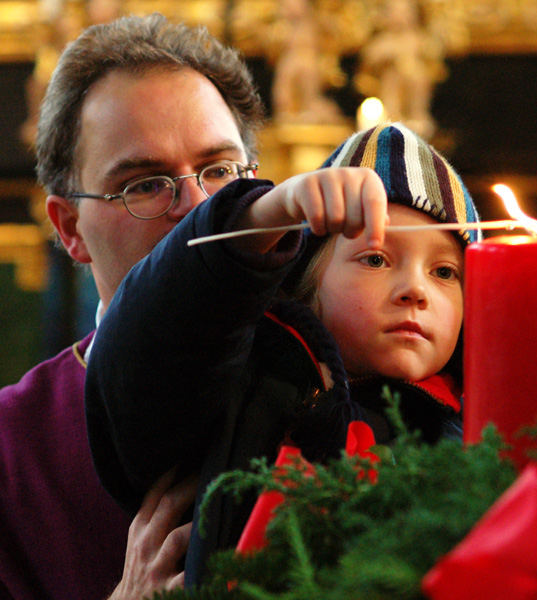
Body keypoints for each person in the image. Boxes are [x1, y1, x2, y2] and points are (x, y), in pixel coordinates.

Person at [84, 122, 481, 584]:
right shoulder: (244, 380)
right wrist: (261, 219)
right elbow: (142, 359)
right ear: (308, 282)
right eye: (375, 258)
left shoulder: (475, 433)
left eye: (445, 271)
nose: (415, 289)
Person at [0, 13, 266, 599]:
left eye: (219, 171)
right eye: (145, 183)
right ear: (70, 228)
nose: (197, 207)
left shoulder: (345, 373)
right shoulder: (11, 450)